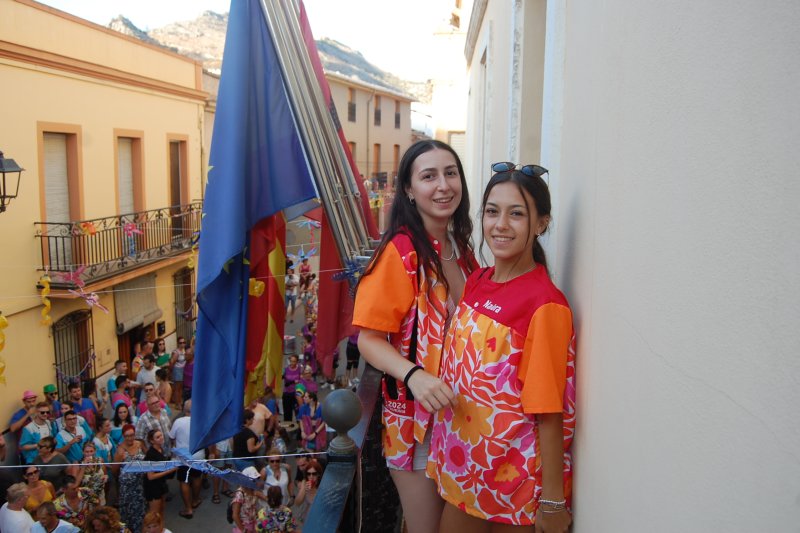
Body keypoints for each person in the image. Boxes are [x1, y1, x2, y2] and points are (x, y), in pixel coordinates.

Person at [429, 163, 576, 532]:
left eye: (517, 214)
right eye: (492, 212)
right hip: (466, 470)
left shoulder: (545, 304)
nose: (500, 225)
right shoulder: (479, 279)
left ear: (541, 223)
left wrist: (553, 502)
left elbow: (548, 410)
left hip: (515, 483)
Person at [353, 139, 476, 533]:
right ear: (408, 189)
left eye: (450, 173)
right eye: (429, 176)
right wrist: (414, 375)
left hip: (463, 419)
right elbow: (368, 338)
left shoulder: (461, 246)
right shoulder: (400, 251)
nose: (443, 185)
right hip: (416, 423)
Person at [168, 400, 203, 519]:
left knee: (184, 481)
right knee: (197, 477)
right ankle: (195, 500)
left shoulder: (178, 422)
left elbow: (171, 437)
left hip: (183, 457)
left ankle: (188, 508)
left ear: (184, 409)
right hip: (198, 456)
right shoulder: (200, 421)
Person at [113, 424, 147, 533]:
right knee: (127, 512)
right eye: (127, 436)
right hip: (127, 488)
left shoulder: (140, 444)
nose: (130, 438)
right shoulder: (120, 450)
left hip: (140, 484)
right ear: (123, 436)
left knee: (140, 511)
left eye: (132, 435)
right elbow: (115, 469)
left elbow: (148, 457)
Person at [143, 430, 175, 516]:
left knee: (162, 509)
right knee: (154, 514)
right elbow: (151, 476)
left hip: (161, 483)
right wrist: (169, 470)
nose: (161, 438)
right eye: (157, 437)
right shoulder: (151, 454)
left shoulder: (160, 449)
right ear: (151, 441)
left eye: (161, 435)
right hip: (153, 487)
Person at [72, 441, 108, 507]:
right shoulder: (77, 464)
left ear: (95, 451)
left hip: (100, 495)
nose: (89, 454)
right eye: (87, 452)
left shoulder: (100, 460)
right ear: (83, 452)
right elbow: (75, 484)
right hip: (85, 498)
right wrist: (83, 466)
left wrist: (105, 478)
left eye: (91, 451)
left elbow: (105, 474)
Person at [232, 466, 266, 533]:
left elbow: (266, 498)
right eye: (253, 480)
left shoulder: (254, 490)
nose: (256, 481)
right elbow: (235, 515)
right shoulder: (240, 494)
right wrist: (244, 530)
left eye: (257, 478)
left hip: (254, 524)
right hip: (243, 526)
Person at [293, 459, 322, 530]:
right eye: (309, 474)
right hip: (307, 519)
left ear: (318, 474)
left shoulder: (322, 484)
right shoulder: (304, 482)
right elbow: (297, 503)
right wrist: (303, 490)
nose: (311, 476)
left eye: (314, 474)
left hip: (320, 519)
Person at [281, 355, 301, 422]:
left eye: (294, 361)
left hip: (296, 394)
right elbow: (279, 378)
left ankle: (299, 430)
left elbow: (302, 380)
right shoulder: (285, 369)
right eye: (291, 361)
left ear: (297, 362)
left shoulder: (300, 369)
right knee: (287, 414)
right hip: (287, 394)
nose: (292, 363)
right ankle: (288, 430)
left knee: (298, 413)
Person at [170, 337, 187, 406]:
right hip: (177, 370)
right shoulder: (176, 352)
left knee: (181, 387)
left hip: (183, 369)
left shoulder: (184, 350)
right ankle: (177, 403)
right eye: (180, 343)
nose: (182, 344)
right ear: (178, 343)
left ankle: (180, 401)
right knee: (177, 388)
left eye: (183, 342)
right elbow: (172, 362)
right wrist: (171, 371)